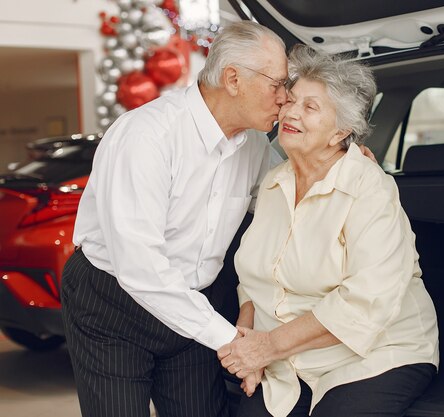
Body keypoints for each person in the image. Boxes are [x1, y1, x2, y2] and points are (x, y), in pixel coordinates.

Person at [60, 21, 289, 417]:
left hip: (193, 302)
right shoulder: (146, 136)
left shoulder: (253, 144)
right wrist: (231, 340)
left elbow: (285, 196)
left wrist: (341, 163)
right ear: (233, 79)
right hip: (113, 301)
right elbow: (141, 268)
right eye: (278, 84)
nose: (285, 99)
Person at [217, 45, 440, 417]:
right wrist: (247, 342)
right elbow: (255, 277)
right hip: (286, 357)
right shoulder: (275, 182)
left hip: (374, 353)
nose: (291, 112)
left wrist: (268, 347)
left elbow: (366, 301)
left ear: (341, 131)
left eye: (311, 107)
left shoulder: (369, 188)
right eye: (291, 101)